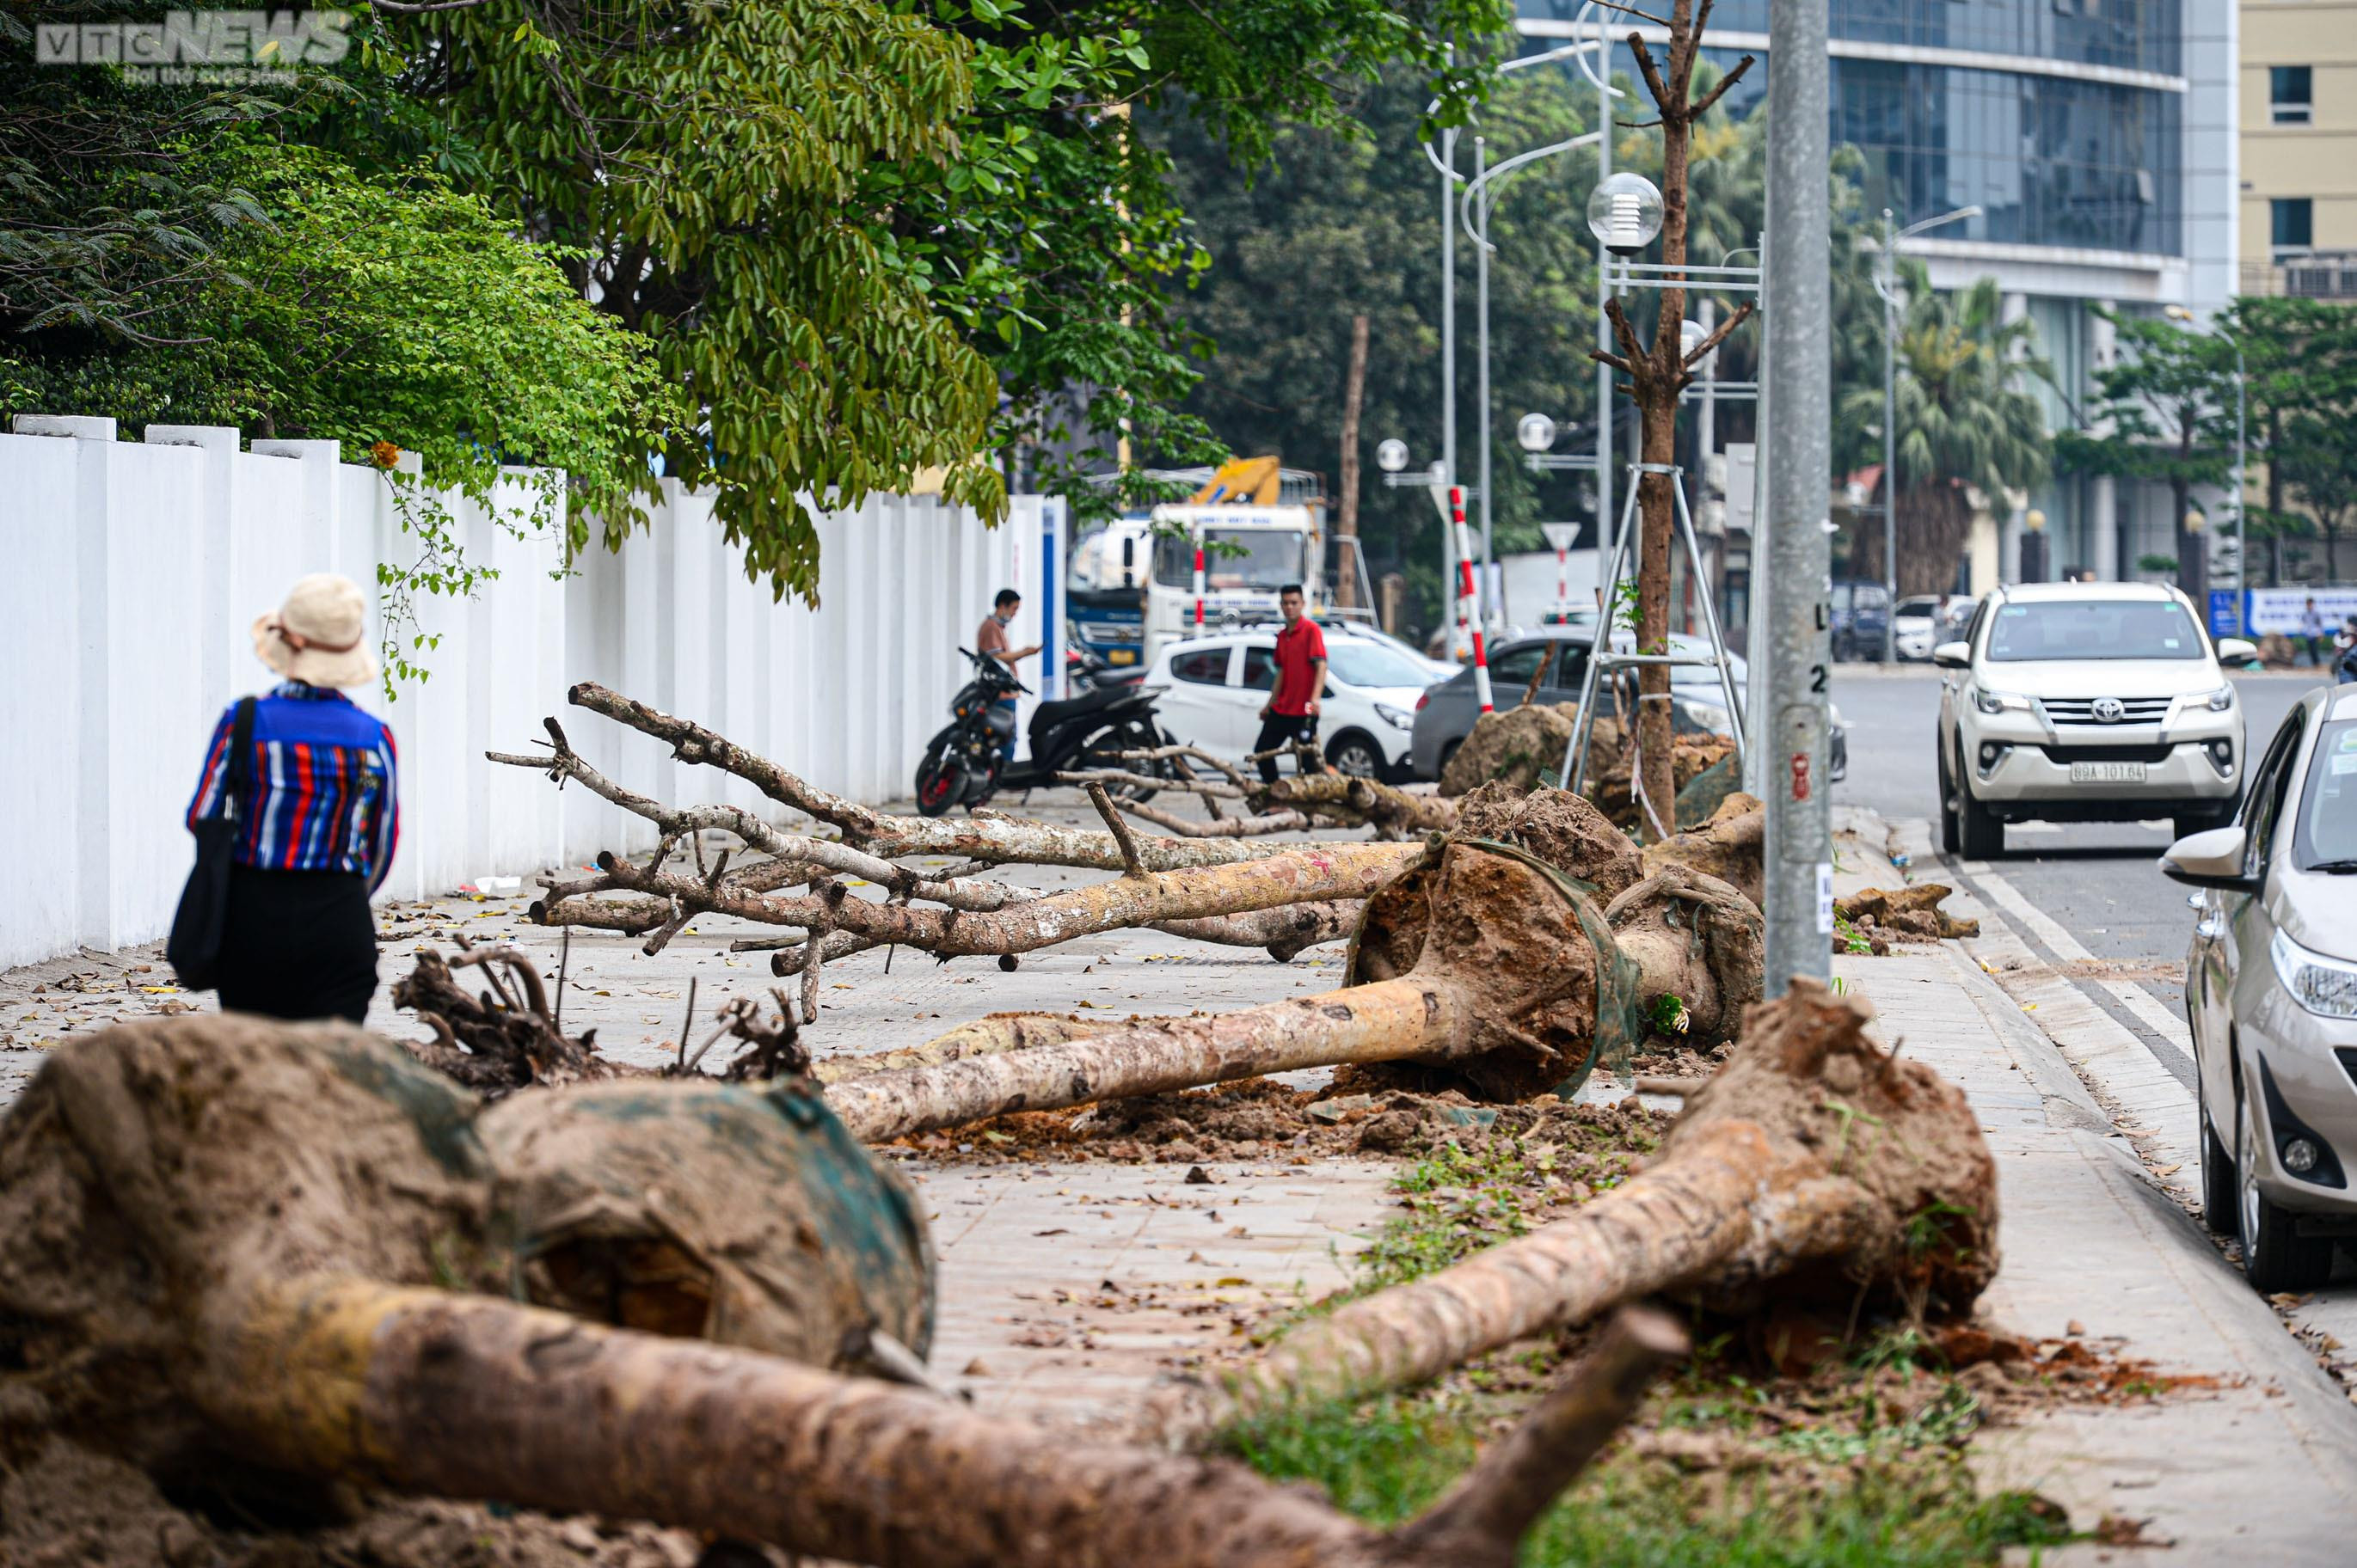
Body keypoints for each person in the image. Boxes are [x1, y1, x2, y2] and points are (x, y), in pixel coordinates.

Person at [185, 573, 399, 1023]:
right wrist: (343, 894)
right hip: (340, 922)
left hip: (252, 920)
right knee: (329, 1075)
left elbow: (202, 816)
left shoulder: (242, 721)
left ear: (288, 644)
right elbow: (382, 841)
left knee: (257, 1068)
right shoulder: (374, 738)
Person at [1253, 583, 1327, 783]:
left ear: (1302, 604)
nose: (1290, 607)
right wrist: (1269, 705)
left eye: (1294, 603)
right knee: (1262, 751)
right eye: (1285, 603)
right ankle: (1277, 796)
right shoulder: (1282, 636)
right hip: (1283, 708)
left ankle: (1310, 809)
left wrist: (1314, 700)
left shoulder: (1311, 630)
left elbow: (1321, 665)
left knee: (1307, 761)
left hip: (1304, 709)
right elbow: (1281, 673)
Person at [975, 588, 1039, 763]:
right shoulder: (991, 627)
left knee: (1008, 737)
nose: (1015, 614)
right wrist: (1024, 653)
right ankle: (1003, 775)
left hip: (1006, 692)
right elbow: (995, 656)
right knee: (1006, 737)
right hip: (1000, 694)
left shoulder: (998, 627)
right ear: (1002, 606)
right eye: (1014, 609)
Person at [2299, 597, 2329, 666]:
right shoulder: (2305, 613)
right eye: (2307, 604)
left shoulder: (2316, 613)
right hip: (2308, 634)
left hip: (2316, 634)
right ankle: (2314, 664)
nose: (2309, 605)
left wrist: (2321, 633)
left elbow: (2320, 624)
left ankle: (2317, 664)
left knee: (2315, 650)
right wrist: (2300, 628)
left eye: (2310, 604)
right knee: (2310, 651)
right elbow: (2302, 622)